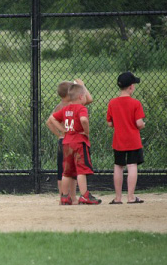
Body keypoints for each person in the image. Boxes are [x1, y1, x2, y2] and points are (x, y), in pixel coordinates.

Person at [47, 84, 102, 205]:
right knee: (81, 170)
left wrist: (63, 130)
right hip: (78, 142)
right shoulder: (81, 108)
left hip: (67, 143)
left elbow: (51, 118)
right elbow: (83, 120)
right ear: (81, 97)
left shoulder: (66, 109)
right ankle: (85, 195)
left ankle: (65, 196)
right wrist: (86, 132)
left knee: (66, 172)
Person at [107, 72, 146, 204]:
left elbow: (110, 123)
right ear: (130, 87)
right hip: (133, 140)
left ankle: (118, 198)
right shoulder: (135, 103)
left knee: (118, 166)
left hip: (118, 140)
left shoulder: (112, 103)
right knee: (132, 165)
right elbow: (139, 123)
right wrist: (142, 125)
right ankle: (131, 197)